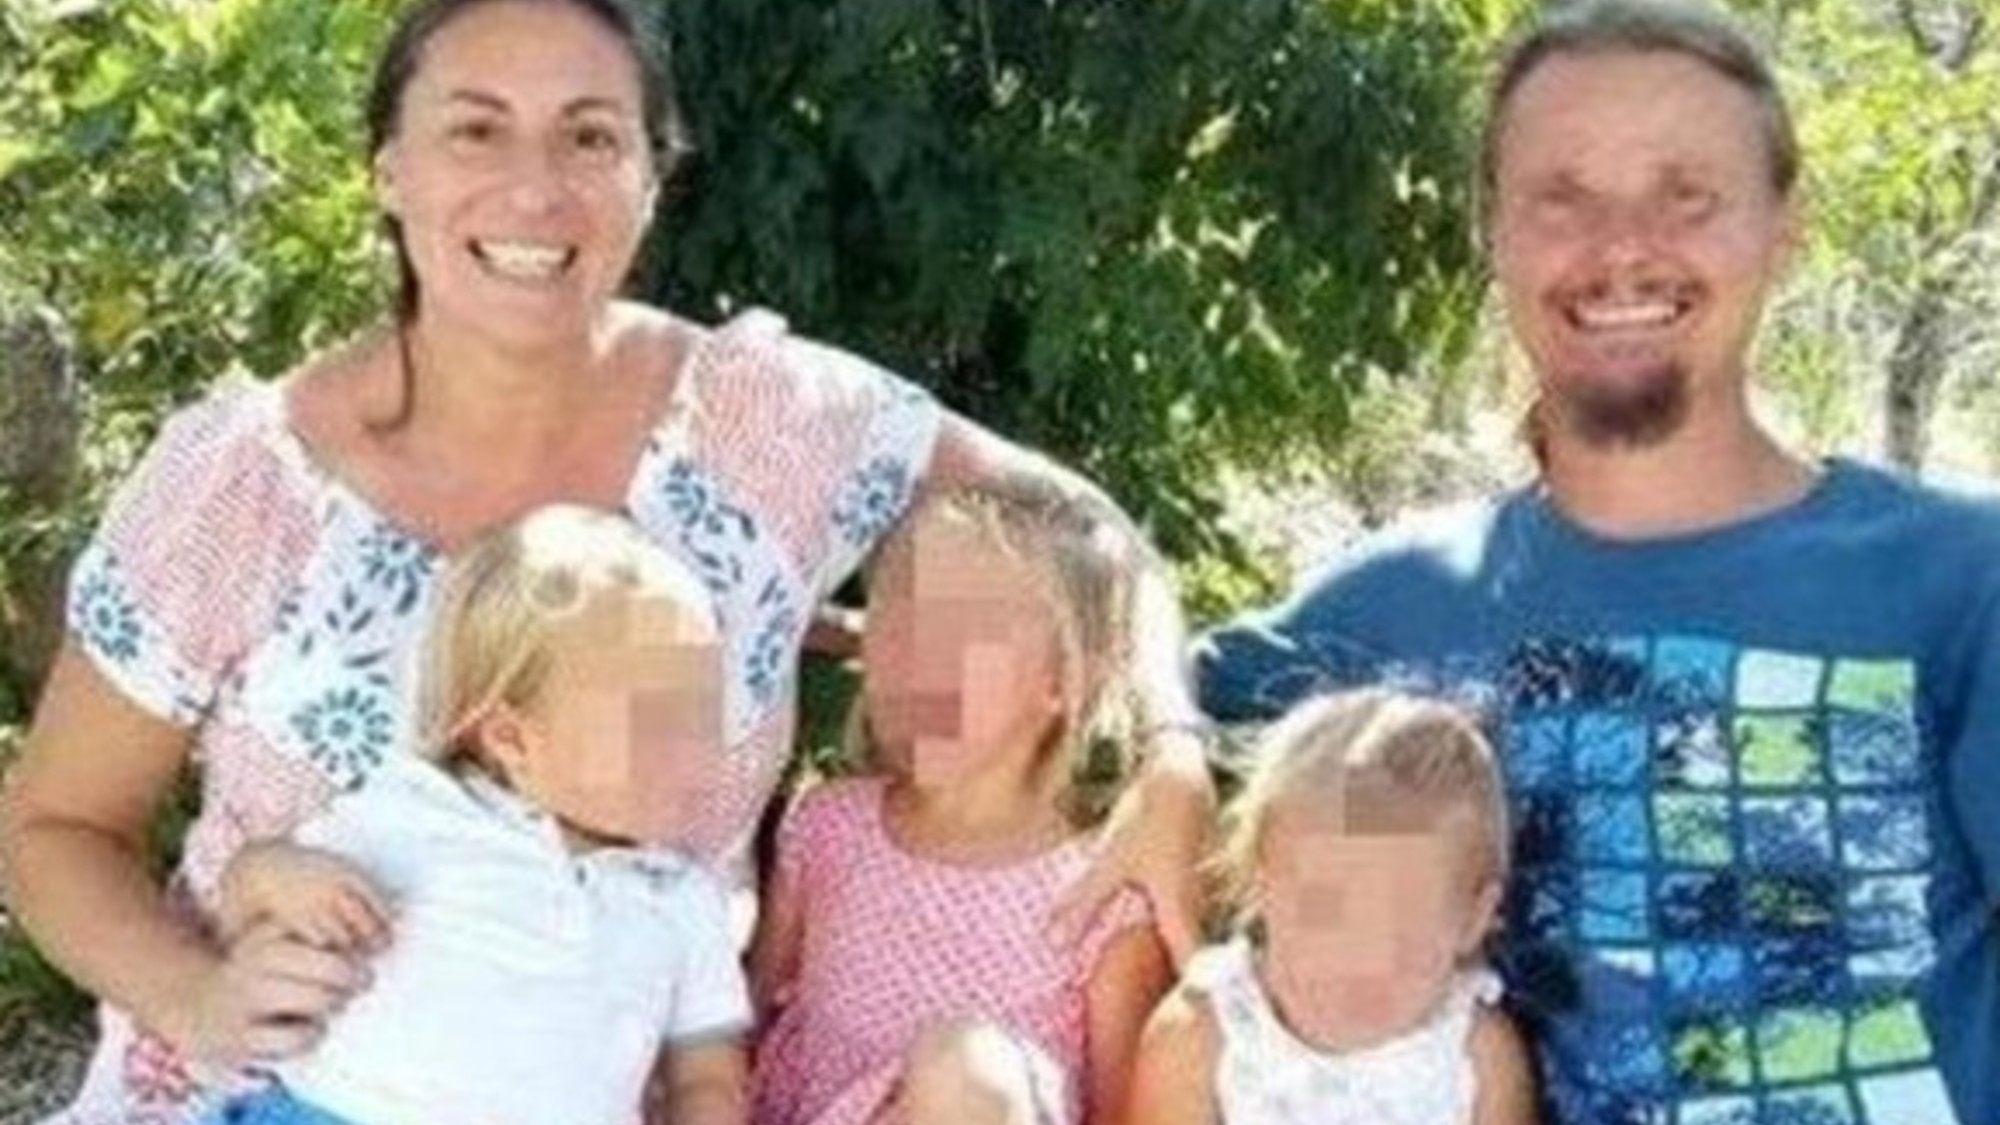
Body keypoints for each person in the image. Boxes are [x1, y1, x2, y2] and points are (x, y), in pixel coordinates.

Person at [0, 1, 1212, 1120]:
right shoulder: (245, 483)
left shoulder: (766, 426)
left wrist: (1168, 750)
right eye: (475, 129)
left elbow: (1082, 527)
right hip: (257, 1097)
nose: (535, 188)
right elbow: (54, 827)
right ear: (389, 169)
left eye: (589, 137)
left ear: (650, 176)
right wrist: (195, 994)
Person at [1195, 3, 2000, 1124]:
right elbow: (1095, 682)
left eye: (1686, 194)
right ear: (1493, 233)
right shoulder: (1382, 618)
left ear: (1786, 227)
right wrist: (1160, 762)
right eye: (1561, 197)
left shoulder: (1961, 580)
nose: (1621, 246)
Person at [198, 504, 747, 1125]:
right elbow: (246, 890)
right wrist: (276, 876)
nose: (694, 747)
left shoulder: (682, 899)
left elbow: (707, 1074)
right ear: (513, 739)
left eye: (703, 715)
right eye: (653, 723)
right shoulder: (414, 813)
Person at [748, 482, 1172, 1125]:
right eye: (902, 623)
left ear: (1065, 678)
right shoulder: (827, 825)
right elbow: (741, 1027)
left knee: (965, 1066)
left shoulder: (1101, 896)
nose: (921, 659)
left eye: (967, 633)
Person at [1127, 690, 1536, 1125]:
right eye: (1323, 914)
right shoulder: (1203, 1037)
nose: (1357, 960)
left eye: (1400, 934)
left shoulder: (1475, 1055)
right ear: (1263, 887)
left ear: (1472, 920)